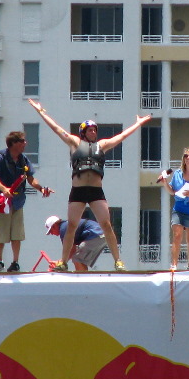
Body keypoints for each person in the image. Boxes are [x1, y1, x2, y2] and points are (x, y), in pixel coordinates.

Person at [29, 99, 151, 271]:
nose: (94, 132)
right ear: (83, 133)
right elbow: (56, 129)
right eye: (90, 130)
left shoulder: (102, 145)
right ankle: (63, 262)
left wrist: (137, 123)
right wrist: (41, 112)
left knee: (106, 225)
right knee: (71, 226)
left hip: (95, 191)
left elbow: (122, 136)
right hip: (78, 191)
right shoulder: (74, 142)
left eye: (95, 129)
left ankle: (118, 261)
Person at [0, 130, 52, 272]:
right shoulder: (1, 158)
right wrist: (4, 189)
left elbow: (31, 178)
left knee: (17, 233)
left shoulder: (24, 160)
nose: (25, 144)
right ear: (13, 144)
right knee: (1, 232)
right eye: (22, 141)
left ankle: (15, 261)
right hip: (2, 203)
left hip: (17, 202)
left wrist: (41, 189)